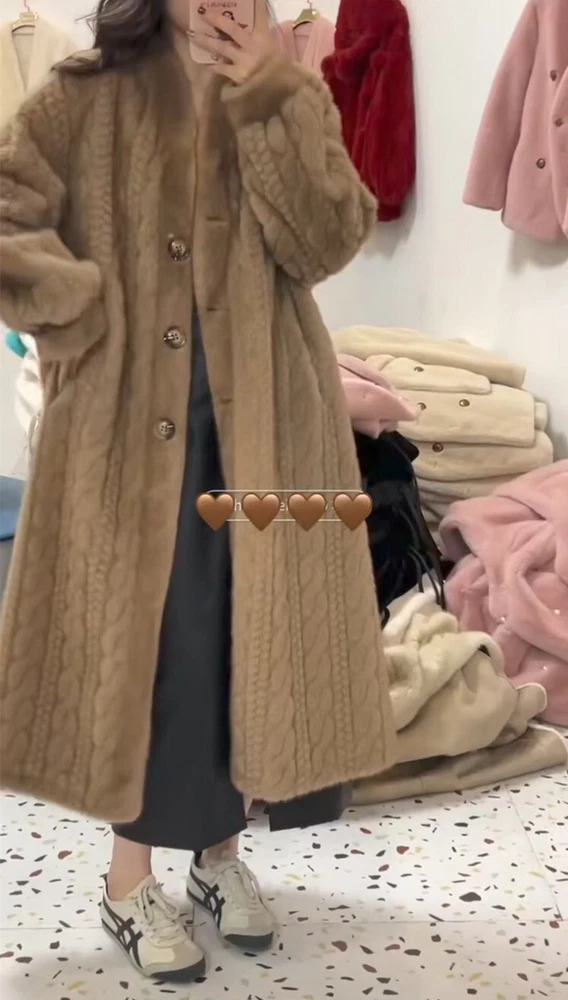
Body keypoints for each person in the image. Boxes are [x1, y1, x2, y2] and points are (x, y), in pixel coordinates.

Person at [0, 0, 396, 985]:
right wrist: (80, 315)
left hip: (269, 427)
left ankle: (220, 858)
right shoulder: (82, 97)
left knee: (247, 642)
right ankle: (128, 880)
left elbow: (328, 239)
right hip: (133, 435)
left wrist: (269, 95)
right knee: (158, 649)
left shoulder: (286, 88)